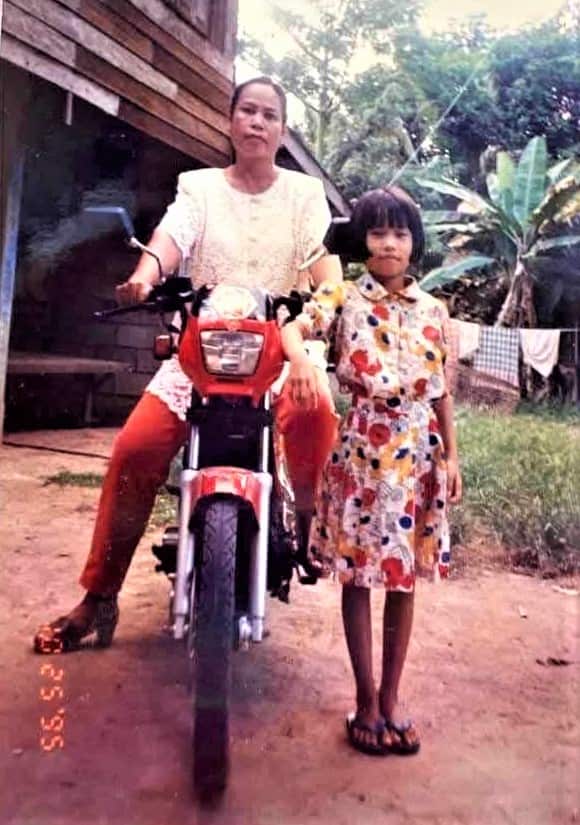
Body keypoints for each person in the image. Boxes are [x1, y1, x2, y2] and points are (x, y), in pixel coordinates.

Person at [33, 76, 341, 654]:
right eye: (246, 111)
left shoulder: (304, 194)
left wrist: (320, 309)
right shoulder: (197, 186)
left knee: (316, 409)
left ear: (282, 129)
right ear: (230, 121)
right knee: (134, 449)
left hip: (282, 348)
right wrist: (145, 276)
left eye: (268, 114)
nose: (256, 122)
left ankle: (306, 522)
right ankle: (99, 598)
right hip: (202, 350)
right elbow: (173, 235)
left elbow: (322, 264)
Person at [281, 185, 462, 756]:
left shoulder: (435, 311)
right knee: (359, 577)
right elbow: (293, 329)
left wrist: (452, 457)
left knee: (403, 580)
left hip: (418, 460)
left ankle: (391, 699)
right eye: (379, 232)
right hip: (361, 454)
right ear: (362, 239)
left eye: (401, 233)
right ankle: (363, 699)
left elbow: (441, 393)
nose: (389, 243)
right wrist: (298, 365)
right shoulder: (341, 298)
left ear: (414, 243)